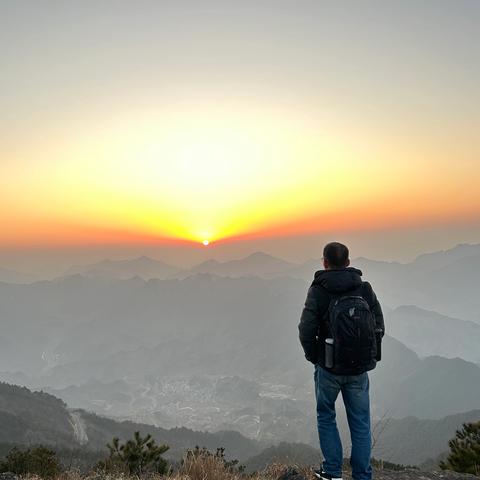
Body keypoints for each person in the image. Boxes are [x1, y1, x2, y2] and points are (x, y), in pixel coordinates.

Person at [298, 242, 385, 480]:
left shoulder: (318, 290)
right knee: (360, 423)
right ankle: (363, 475)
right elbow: (378, 325)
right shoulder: (364, 289)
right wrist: (367, 353)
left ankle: (333, 472)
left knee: (326, 415)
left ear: (324, 263)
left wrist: (315, 357)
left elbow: (305, 329)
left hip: (328, 368)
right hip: (359, 369)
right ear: (348, 262)